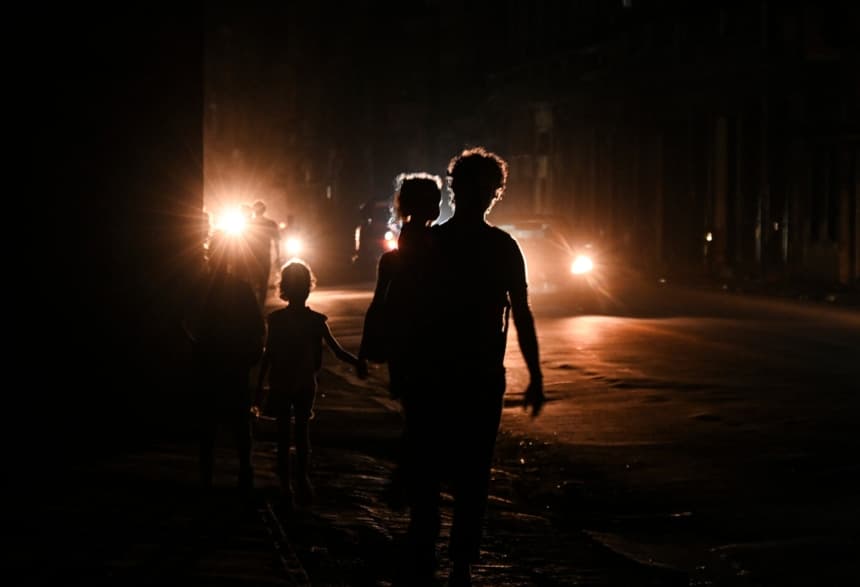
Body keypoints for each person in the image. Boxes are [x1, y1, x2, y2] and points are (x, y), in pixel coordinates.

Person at [403, 147, 545, 586]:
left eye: (481, 189)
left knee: (433, 468)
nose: (480, 196)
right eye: (479, 189)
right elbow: (520, 313)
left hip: (443, 374)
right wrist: (535, 376)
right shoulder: (501, 247)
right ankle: (458, 561)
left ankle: (430, 552)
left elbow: (409, 311)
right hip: (474, 375)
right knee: (471, 472)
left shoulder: (434, 244)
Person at [356, 172, 443, 507]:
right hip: (430, 349)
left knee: (418, 417)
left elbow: (379, 304)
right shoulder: (441, 250)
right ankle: (413, 486)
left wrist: (366, 350)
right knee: (426, 422)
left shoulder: (395, 257)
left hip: (404, 350)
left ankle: (409, 484)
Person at [254, 259, 361, 507]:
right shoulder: (316, 321)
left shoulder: (276, 320)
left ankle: (285, 485)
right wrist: (359, 363)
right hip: (305, 383)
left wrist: (259, 388)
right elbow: (337, 351)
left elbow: (268, 354)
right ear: (307, 287)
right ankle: (302, 479)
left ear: (285, 288)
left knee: (282, 435)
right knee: (302, 434)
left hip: (280, 381)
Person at [184, 230, 265, 496]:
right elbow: (256, 326)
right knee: (240, 423)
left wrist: (195, 348)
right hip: (234, 363)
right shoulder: (241, 289)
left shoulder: (198, 288)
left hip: (210, 361)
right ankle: (245, 473)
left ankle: (206, 478)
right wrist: (251, 354)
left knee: (208, 425)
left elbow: (186, 322)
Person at [246, 199, 282, 305]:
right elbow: (276, 241)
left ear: (253, 210)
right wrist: (278, 256)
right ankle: (261, 305)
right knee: (263, 282)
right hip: (265, 257)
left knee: (251, 281)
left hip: (251, 257)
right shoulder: (270, 223)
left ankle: (253, 305)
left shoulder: (249, 223)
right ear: (264, 210)